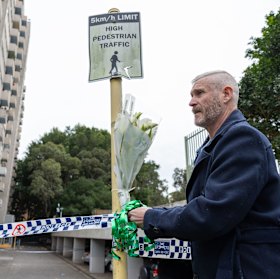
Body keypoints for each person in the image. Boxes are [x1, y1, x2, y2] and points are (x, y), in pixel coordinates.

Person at [128, 70, 280, 279]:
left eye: (199, 93)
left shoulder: (242, 138)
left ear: (226, 94)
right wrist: (154, 212)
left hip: (244, 269)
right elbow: (203, 205)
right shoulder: (215, 144)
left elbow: (212, 213)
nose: (191, 102)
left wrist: (151, 217)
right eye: (191, 95)